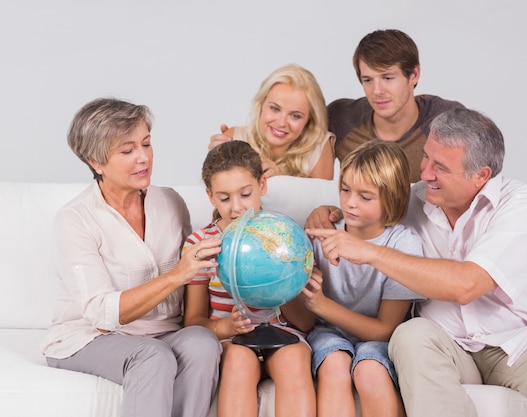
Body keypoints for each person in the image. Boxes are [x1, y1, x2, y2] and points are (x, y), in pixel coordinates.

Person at [305, 108, 527, 417]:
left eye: (440, 167)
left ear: (481, 175)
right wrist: (327, 211)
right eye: (426, 158)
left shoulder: (521, 207)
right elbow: (372, 206)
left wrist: (371, 253)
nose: (425, 173)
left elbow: (467, 285)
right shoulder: (416, 200)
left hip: (515, 344)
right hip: (444, 346)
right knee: (410, 335)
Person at [40, 97, 222, 417]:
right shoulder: (75, 220)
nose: (143, 158)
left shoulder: (170, 202)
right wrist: (177, 274)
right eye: (127, 150)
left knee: (202, 343)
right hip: (88, 339)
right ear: (95, 161)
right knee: (152, 356)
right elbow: (100, 313)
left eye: (146, 144)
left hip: (163, 332)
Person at [183, 140, 316, 417]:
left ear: (262, 185)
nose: (236, 208)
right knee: (238, 361)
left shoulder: (284, 236)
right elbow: (193, 322)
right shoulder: (201, 245)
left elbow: (304, 322)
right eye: (224, 198)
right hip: (232, 340)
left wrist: (280, 283)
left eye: (245, 194)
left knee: (294, 359)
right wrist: (226, 327)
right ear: (209, 196)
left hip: (285, 331)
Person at [302, 141, 425, 417]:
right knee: (333, 363)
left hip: (380, 339)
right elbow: (304, 320)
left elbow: (384, 329)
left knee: (370, 371)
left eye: (365, 197)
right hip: (328, 334)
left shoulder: (403, 246)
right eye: (345, 189)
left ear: (391, 199)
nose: (350, 203)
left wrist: (321, 305)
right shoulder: (321, 233)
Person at [329, 28, 465, 183]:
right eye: (368, 80)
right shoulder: (340, 117)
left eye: (387, 78)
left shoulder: (447, 118)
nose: (377, 91)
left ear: (414, 75)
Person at [208, 63, 335, 180]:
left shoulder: (318, 146)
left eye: (295, 116)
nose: (281, 123)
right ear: (262, 103)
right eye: (275, 109)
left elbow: (323, 202)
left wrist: (280, 178)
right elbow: (217, 196)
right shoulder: (233, 138)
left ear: (309, 119)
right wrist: (211, 162)